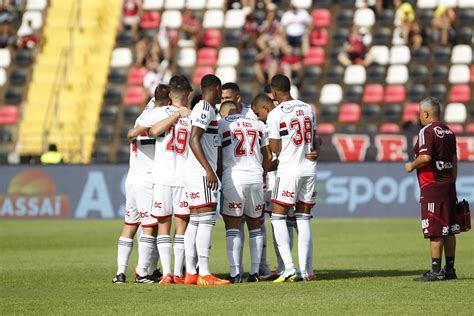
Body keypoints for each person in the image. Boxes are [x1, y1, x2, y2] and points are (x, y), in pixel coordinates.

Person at [265, 74, 319, 282]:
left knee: (278, 217)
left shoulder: (276, 113)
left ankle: (288, 267)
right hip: (309, 168)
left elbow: (276, 148)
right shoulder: (308, 108)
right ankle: (306, 271)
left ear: (275, 92)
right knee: (304, 218)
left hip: (288, 169)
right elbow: (313, 140)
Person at [404, 97, 460, 282]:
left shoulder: (426, 131)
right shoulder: (449, 132)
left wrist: (411, 165)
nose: (419, 118)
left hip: (432, 186)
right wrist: (452, 181)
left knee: (436, 230)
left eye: (420, 114)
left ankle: (436, 271)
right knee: (450, 229)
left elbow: (426, 157)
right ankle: (450, 270)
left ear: (426, 114)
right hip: (448, 185)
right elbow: (454, 161)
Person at [144, 76, 192, 284]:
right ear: (189, 95)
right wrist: (178, 115)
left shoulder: (157, 112)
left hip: (164, 177)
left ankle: (167, 274)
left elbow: (152, 131)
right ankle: (177, 274)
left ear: (170, 94)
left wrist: (174, 115)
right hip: (182, 178)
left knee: (164, 225)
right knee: (181, 225)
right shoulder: (192, 116)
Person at [183, 74, 230, 286]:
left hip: (193, 172)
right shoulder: (204, 108)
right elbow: (194, 139)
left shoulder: (204, 109)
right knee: (207, 221)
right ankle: (205, 273)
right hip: (201, 173)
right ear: (217, 88)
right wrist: (209, 170)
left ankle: (191, 273)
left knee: (194, 221)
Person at [217, 101, 271, 283]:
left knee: (233, 226)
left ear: (223, 113)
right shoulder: (257, 124)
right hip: (256, 177)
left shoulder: (222, 124)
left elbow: (218, 154)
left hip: (234, 178)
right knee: (255, 225)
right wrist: (262, 175)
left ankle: (235, 273)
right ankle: (254, 273)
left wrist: (218, 174)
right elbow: (268, 155)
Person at [123, 84, 171, 284]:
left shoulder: (142, 118)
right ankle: (144, 271)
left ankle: (125, 272)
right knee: (152, 226)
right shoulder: (161, 119)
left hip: (133, 179)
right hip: (150, 179)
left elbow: (131, 134)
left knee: (133, 225)